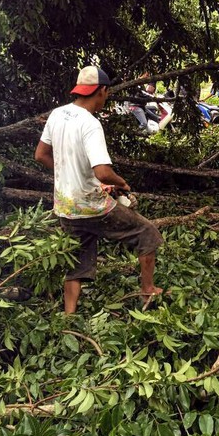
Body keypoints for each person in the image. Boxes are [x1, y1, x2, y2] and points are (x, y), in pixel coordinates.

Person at [35, 66, 165, 314]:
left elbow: (41, 155)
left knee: (77, 259)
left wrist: (68, 176)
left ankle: (68, 316)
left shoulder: (57, 115)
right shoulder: (91, 124)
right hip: (91, 206)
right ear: (102, 91)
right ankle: (148, 289)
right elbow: (103, 172)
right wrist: (121, 183)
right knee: (147, 233)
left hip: (65, 206)